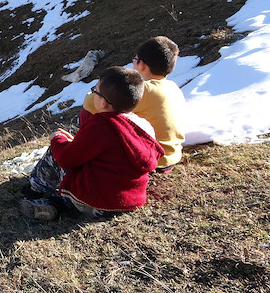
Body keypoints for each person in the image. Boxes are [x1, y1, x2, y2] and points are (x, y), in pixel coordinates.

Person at [21, 66, 165, 220]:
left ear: (104, 103)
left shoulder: (102, 124)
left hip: (96, 201)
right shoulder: (144, 126)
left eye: (95, 91)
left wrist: (58, 139)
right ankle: (58, 203)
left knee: (56, 152)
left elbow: (66, 158)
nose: (92, 94)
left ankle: (34, 190)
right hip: (130, 202)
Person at [80, 36, 186, 173]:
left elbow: (90, 104)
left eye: (135, 60)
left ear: (142, 65)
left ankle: (83, 153)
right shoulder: (173, 87)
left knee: (90, 113)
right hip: (172, 157)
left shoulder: (145, 89)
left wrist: (99, 90)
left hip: (153, 160)